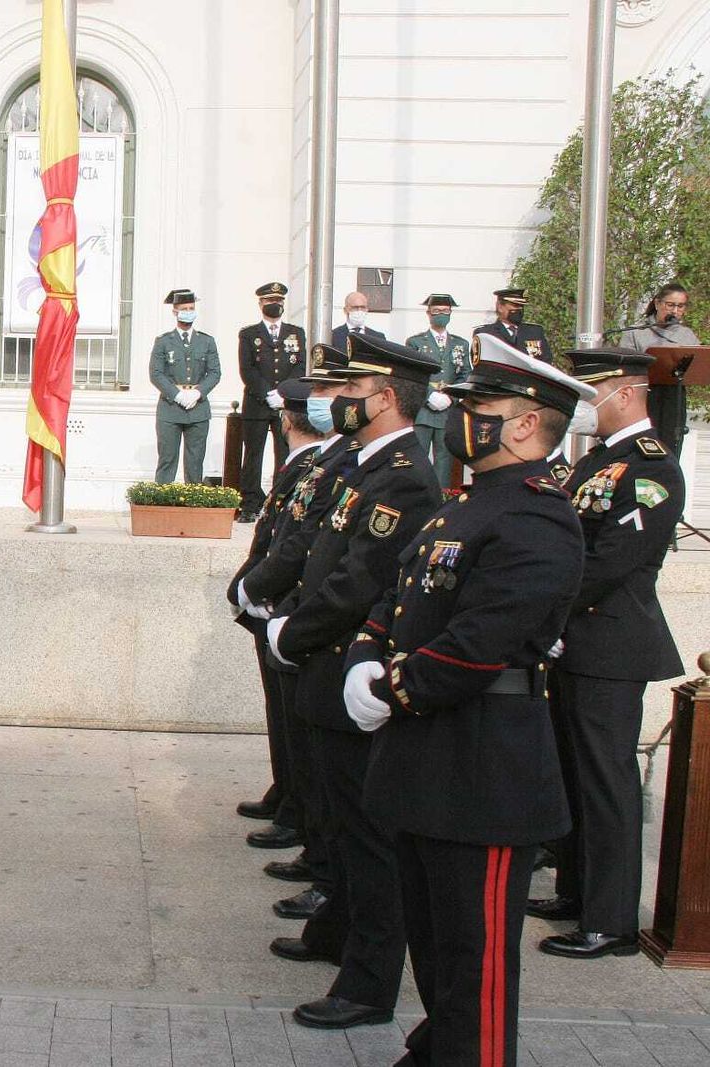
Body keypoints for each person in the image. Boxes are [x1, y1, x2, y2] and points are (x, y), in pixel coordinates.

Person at [347, 335, 592, 1067]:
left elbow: (480, 641)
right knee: (441, 961)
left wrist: (390, 686)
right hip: (429, 762)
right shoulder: (469, 504)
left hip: (486, 769)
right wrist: (364, 652)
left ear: (524, 423)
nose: (463, 416)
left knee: (476, 971)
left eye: (482, 405)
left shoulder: (538, 515)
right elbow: (400, 593)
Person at [263, 332, 441, 1031]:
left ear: (385, 397)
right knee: (338, 820)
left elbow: (360, 576)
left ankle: (368, 984)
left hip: (346, 667)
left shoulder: (403, 473)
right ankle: (334, 932)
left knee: (369, 840)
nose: (333, 403)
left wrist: (291, 630)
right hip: (323, 664)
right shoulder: (365, 465)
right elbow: (318, 552)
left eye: (347, 393)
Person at [530, 346, 686, 961]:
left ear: (622, 393)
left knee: (605, 781)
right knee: (570, 773)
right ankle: (576, 891)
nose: (582, 408)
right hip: (574, 639)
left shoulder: (651, 468)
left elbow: (610, 562)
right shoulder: (597, 461)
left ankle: (613, 919)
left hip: (609, 642)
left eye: (589, 394)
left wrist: (544, 608)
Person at [236, 344, 363, 921]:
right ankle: (298, 815)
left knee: (320, 754)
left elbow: (315, 549)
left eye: (335, 392)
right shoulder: (325, 463)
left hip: (311, 621)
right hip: (287, 612)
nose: (328, 404)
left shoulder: (341, 464)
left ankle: (319, 851)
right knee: (293, 729)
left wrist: (270, 597)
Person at [227, 377, 330, 841]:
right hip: (274, 602)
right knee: (280, 711)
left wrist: (250, 588)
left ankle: (297, 805)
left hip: (286, 604)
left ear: (285, 419)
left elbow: (294, 545)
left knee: (295, 718)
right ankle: (285, 789)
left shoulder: (316, 468)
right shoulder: (301, 465)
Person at [239, 282, 308, 520]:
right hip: (257, 403)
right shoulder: (249, 334)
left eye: (278, 301)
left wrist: (284, 393)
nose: (275, 305)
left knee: (285, 454)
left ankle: (279, 501)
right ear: (261, 304)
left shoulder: (295, 333)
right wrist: (268, 394)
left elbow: (300, 366)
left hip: (286, 405)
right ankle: (250, 504)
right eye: (270, 301)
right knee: (253, 455)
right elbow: (247, 370)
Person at [150, 288, 221, 484]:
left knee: (195, 462)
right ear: (175, 311)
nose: (188, 311)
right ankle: (163, 505)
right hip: (170, 408)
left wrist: (197, 393)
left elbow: (215, 372)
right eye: (184, 308)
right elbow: (156, 373)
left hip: (197, 408)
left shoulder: (206, 341)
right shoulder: (163, 341)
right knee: (167, 459)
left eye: (191, 308)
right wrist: (177, 394)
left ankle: (192, 507)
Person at [620, 283, 698, 457]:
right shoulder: (636, 332)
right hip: (643, 397)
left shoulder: (687, 335)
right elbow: (625, 366)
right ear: (657, 304)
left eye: (680, 306)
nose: (675, 311)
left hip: (673, 397)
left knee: (670, 447)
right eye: (670, 305)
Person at [404, 294, 472, 486]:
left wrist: (452, 397)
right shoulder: (415, 342)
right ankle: (417, 496)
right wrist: (429, 395)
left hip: (448, 410)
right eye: (436, 311)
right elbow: (412, 374)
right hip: (423, 410)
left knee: (444, 460)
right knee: (418, 458)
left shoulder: (460, 344)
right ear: (428, 314)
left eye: (445, 311)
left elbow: (465, 374)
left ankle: (441, 498)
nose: (441, 315)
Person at [473, 287, 550, 363]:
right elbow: (481, 365)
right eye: (515, 305)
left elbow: (546, 361)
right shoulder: (486, 334)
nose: (519, 309)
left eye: (522, 306)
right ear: (500, 307)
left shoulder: (535, 332)